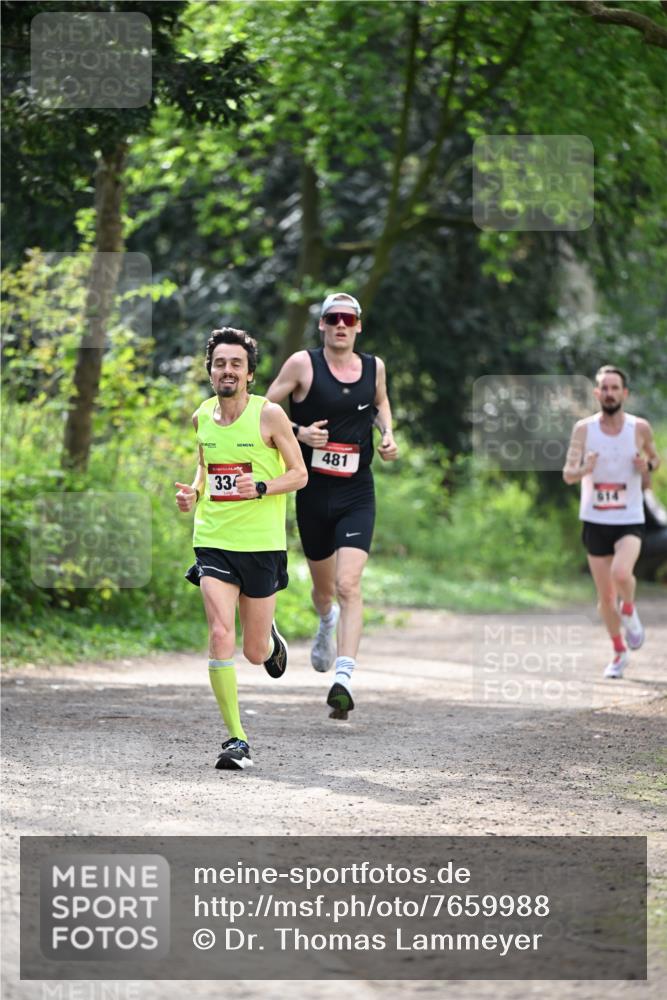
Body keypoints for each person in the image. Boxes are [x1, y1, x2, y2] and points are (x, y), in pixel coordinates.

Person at [176, 328, 307, 769]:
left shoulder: (269, 416)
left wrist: (264, 486)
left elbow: (300, 474)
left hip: (261, 546)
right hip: (213, 539)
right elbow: (204, 465)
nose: (227, 370)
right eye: (219, 363)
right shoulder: (202, 416)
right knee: (218, 635)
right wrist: (194, 493)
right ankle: (236, 739)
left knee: (253, 652)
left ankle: (269, 641)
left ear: (250, 373)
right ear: (210, 371)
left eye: (236, 364)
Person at [267, 292, 398, 718]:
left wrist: (388, 433)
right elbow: (266, 410)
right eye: (332, 318)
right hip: (313, 492)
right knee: (325, 591)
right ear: (321, 324)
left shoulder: (374, 367)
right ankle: (326, 621)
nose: (341, 325)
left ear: (359, 326)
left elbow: (379, 402)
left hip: (357, 492)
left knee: (349, 585)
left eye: (349, 319)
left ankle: (344, 677)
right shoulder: (303, 365)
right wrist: (300, 433)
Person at [563, 365, 660, 679]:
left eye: (614, 387)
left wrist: (644, 465)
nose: (609, 393)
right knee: (605, 598)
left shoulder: (640, 427)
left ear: (624, 393)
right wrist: (585, 469)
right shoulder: (583, 429)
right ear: (596, 393)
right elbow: (568, 474)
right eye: (604, 388)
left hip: (629, 517)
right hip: (595, 519)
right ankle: (618, 651)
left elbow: (654, 462)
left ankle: (629, 609)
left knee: (622, 573)